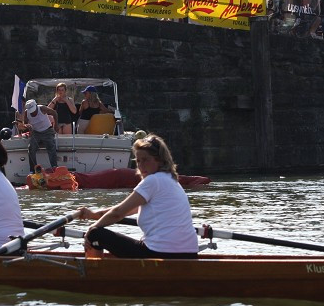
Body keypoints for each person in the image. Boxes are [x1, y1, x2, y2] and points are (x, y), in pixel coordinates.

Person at [69, 134, 198, 259]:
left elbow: (117, 214)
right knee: (101, 231)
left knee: (95, 234)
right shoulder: (171, 180)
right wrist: (93, 214)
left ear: (159, 160)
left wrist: (90, 230)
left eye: (145, 160)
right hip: (189, 254)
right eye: (138, 161)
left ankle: (92, 274)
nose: (141, 166)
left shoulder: (153, 181)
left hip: (160, 254)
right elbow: (122, 210)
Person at [18, 98, 58, 170]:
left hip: (47, 131)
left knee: (51, 147)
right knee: (31, 148)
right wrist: (27, 126)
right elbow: (25, 123)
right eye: (31, 112)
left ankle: (54, 167)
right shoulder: (27, 113)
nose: (33, 113)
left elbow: (54, 113)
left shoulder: (42, 108)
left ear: (36, 106)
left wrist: (56, 125)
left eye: (34, 110)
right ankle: (33, 169)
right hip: (36, 132)